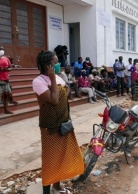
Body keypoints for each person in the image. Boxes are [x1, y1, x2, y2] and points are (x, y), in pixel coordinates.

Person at [32, 50, 84, 194]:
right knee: (50, 160)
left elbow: (67, 93)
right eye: (55, 63)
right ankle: (46, 190)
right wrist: (53, 79)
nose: (58, 65)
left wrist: (63, 88)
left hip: (64, 123)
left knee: (62, 157)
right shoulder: (38, 81)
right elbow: (54, 100)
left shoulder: (59, 77)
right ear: (47, 65)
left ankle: (56, 185)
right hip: (50, 127)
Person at [0, 46, 18, 114]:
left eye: (2, 49)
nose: (1, 51)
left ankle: (6, 109)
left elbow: (9, 67)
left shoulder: (5, 58)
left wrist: (5, 69)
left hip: (5, 79)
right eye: (0, 49)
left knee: (6, 94)